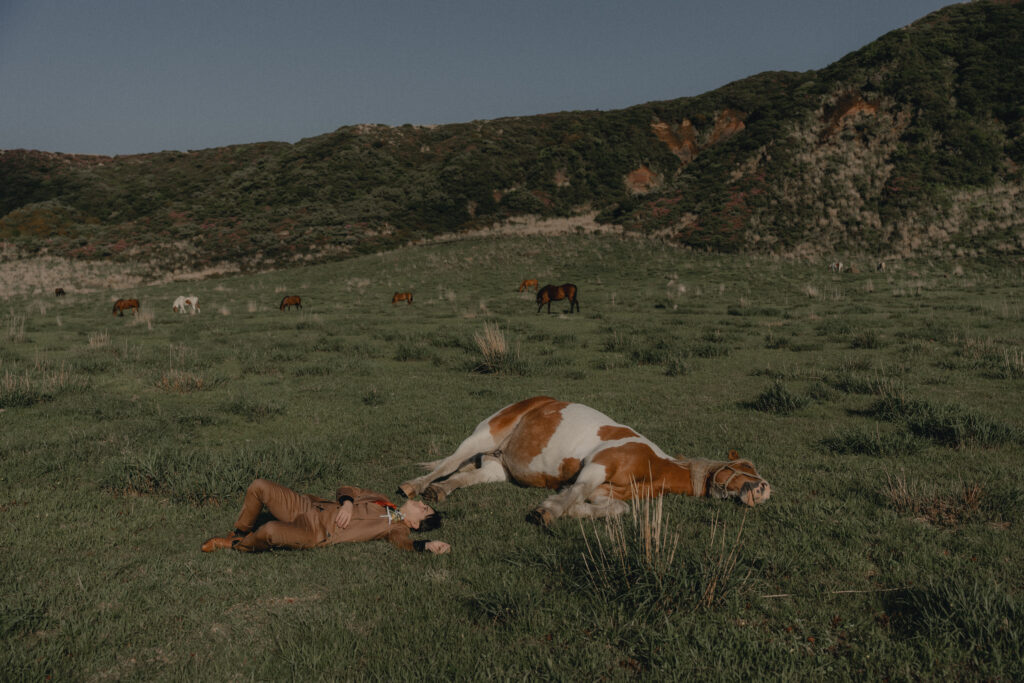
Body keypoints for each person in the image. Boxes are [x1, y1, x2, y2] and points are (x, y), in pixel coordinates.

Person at [201, 478, 451, 554]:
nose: (419, 502)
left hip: (315, 532)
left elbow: (405, 544)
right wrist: (348, 504)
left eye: (424, 508)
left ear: (415, 523)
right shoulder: (380, 498)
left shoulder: (396, 528)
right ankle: (241, 531)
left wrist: (426, 546)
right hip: (307, 507)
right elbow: (347, 489)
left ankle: (236, 545)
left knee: (268, 532)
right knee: (258, 486)